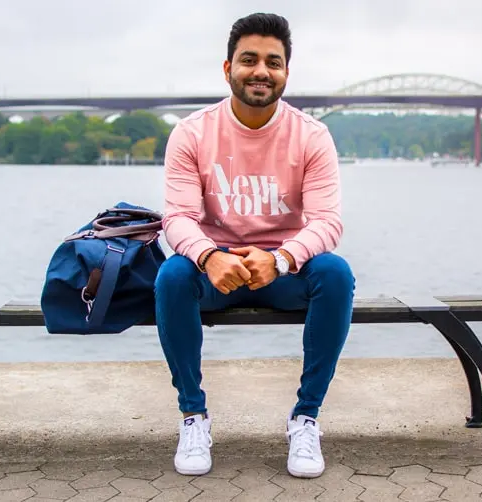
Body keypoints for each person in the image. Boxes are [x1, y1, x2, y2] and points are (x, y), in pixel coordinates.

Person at [154, 12, 355, 479]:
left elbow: (327, 222)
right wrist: (209, 256)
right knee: (172, 275)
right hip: (216, 271)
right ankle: (193, 415)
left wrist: (281, 259)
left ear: (286, 72)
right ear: (228, 68)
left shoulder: (312, 136)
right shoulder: (192, 133)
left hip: (282, 271)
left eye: (273, 62)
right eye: (249, 60)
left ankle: (306, 418)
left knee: (335, 273)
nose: (261, 71)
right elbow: (177, 219)